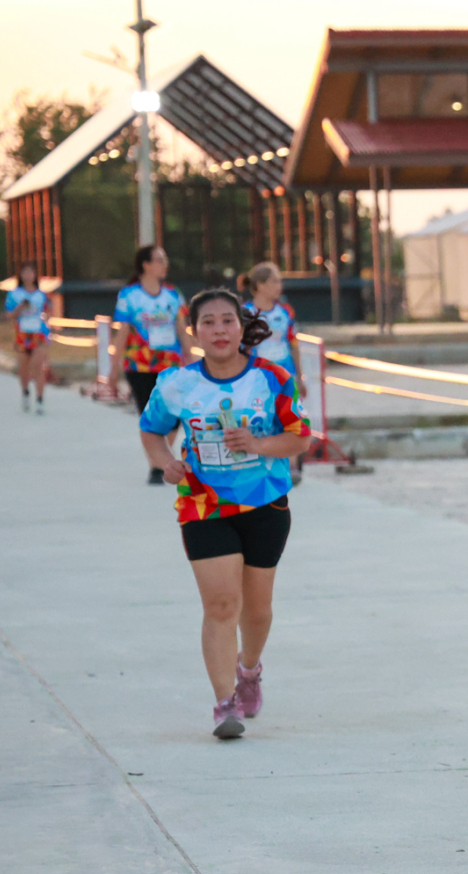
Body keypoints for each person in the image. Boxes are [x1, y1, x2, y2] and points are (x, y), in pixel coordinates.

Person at [137, 290, 312, 740]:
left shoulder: (271, 378)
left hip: (265, 503)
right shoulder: (176, 383)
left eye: (227, 321)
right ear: (194, 331)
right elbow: (152, 431)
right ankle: (224, 704)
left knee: (257, 609)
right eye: (209, 322)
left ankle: (249, 670)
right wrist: (165, 462)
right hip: (204, 505)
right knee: (220, 605)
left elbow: (300, 437)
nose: (219, 330)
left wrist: (257, 444)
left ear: (241, 327)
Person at [114, 245, 191, 485]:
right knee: (150, 415)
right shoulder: (129, 296)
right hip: (139, 365)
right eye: (159, 260)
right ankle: (157, 466)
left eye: (165, 259)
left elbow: (182, 330)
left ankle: (160, 459)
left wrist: (190, 358)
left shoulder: (173, 295)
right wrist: (113, 367)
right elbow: (122, 332)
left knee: (174, 415)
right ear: (145, 265)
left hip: (170, 364)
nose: (164, 264)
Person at [239, 262, 308, 484]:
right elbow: (241, 348)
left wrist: (300, 376)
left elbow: (293, 343)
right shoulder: (246, 313)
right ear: (260, 285)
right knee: (262, 419)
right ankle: (262, 463)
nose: (279, 286)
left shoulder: (285, 311)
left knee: (291, 417)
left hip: (285, 375)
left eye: (280, 281)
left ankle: (293, 466)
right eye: (274, 281)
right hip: (258, 376)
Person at [6, 262, 51, 414]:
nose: (28, 275)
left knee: (38, 365)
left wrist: (47, 319)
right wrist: (19, 308)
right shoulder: (14, 294)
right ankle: (25, 391)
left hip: (39, 333)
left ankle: (40, 399)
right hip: (22, 333)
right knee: (23, 367)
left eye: (31, 272)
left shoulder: (41, 295)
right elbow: (9, 314)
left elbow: (48, 311)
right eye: (25, 272)